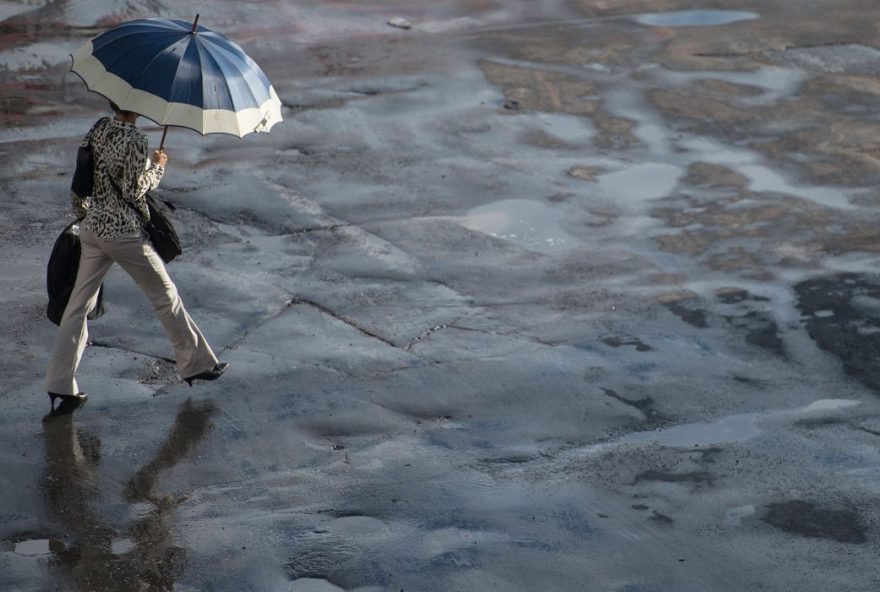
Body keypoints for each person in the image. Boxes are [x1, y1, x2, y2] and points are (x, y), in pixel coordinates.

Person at [45, 101, 227, 414]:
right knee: (164, 295)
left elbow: (85, 171)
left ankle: (60, 382)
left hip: (93, 227)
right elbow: (133, 190)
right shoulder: (137, 141)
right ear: (137, 107)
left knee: (78, 306)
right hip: (122, 233)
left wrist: (84, 212)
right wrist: (157, 167)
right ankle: (194, 362)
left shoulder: (100, 126)